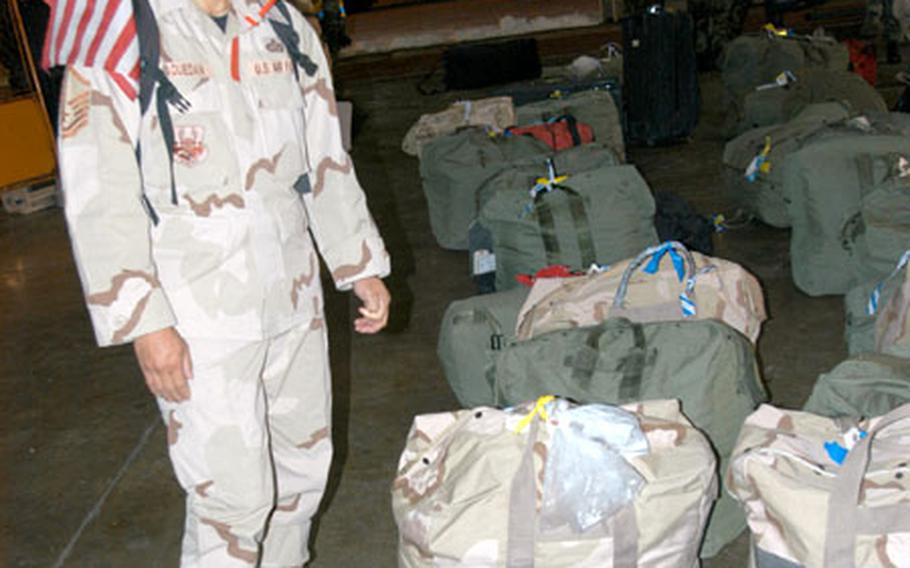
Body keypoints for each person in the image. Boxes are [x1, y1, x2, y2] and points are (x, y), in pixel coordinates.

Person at [55, 0, 391, 565]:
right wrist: (145, 323)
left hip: (293, 295)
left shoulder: (283, 26)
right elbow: (99, 194)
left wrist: (359, 264)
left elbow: (325, 156)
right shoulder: (122, 32)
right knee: (232, 497)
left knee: (301, 475)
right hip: (198, 316)